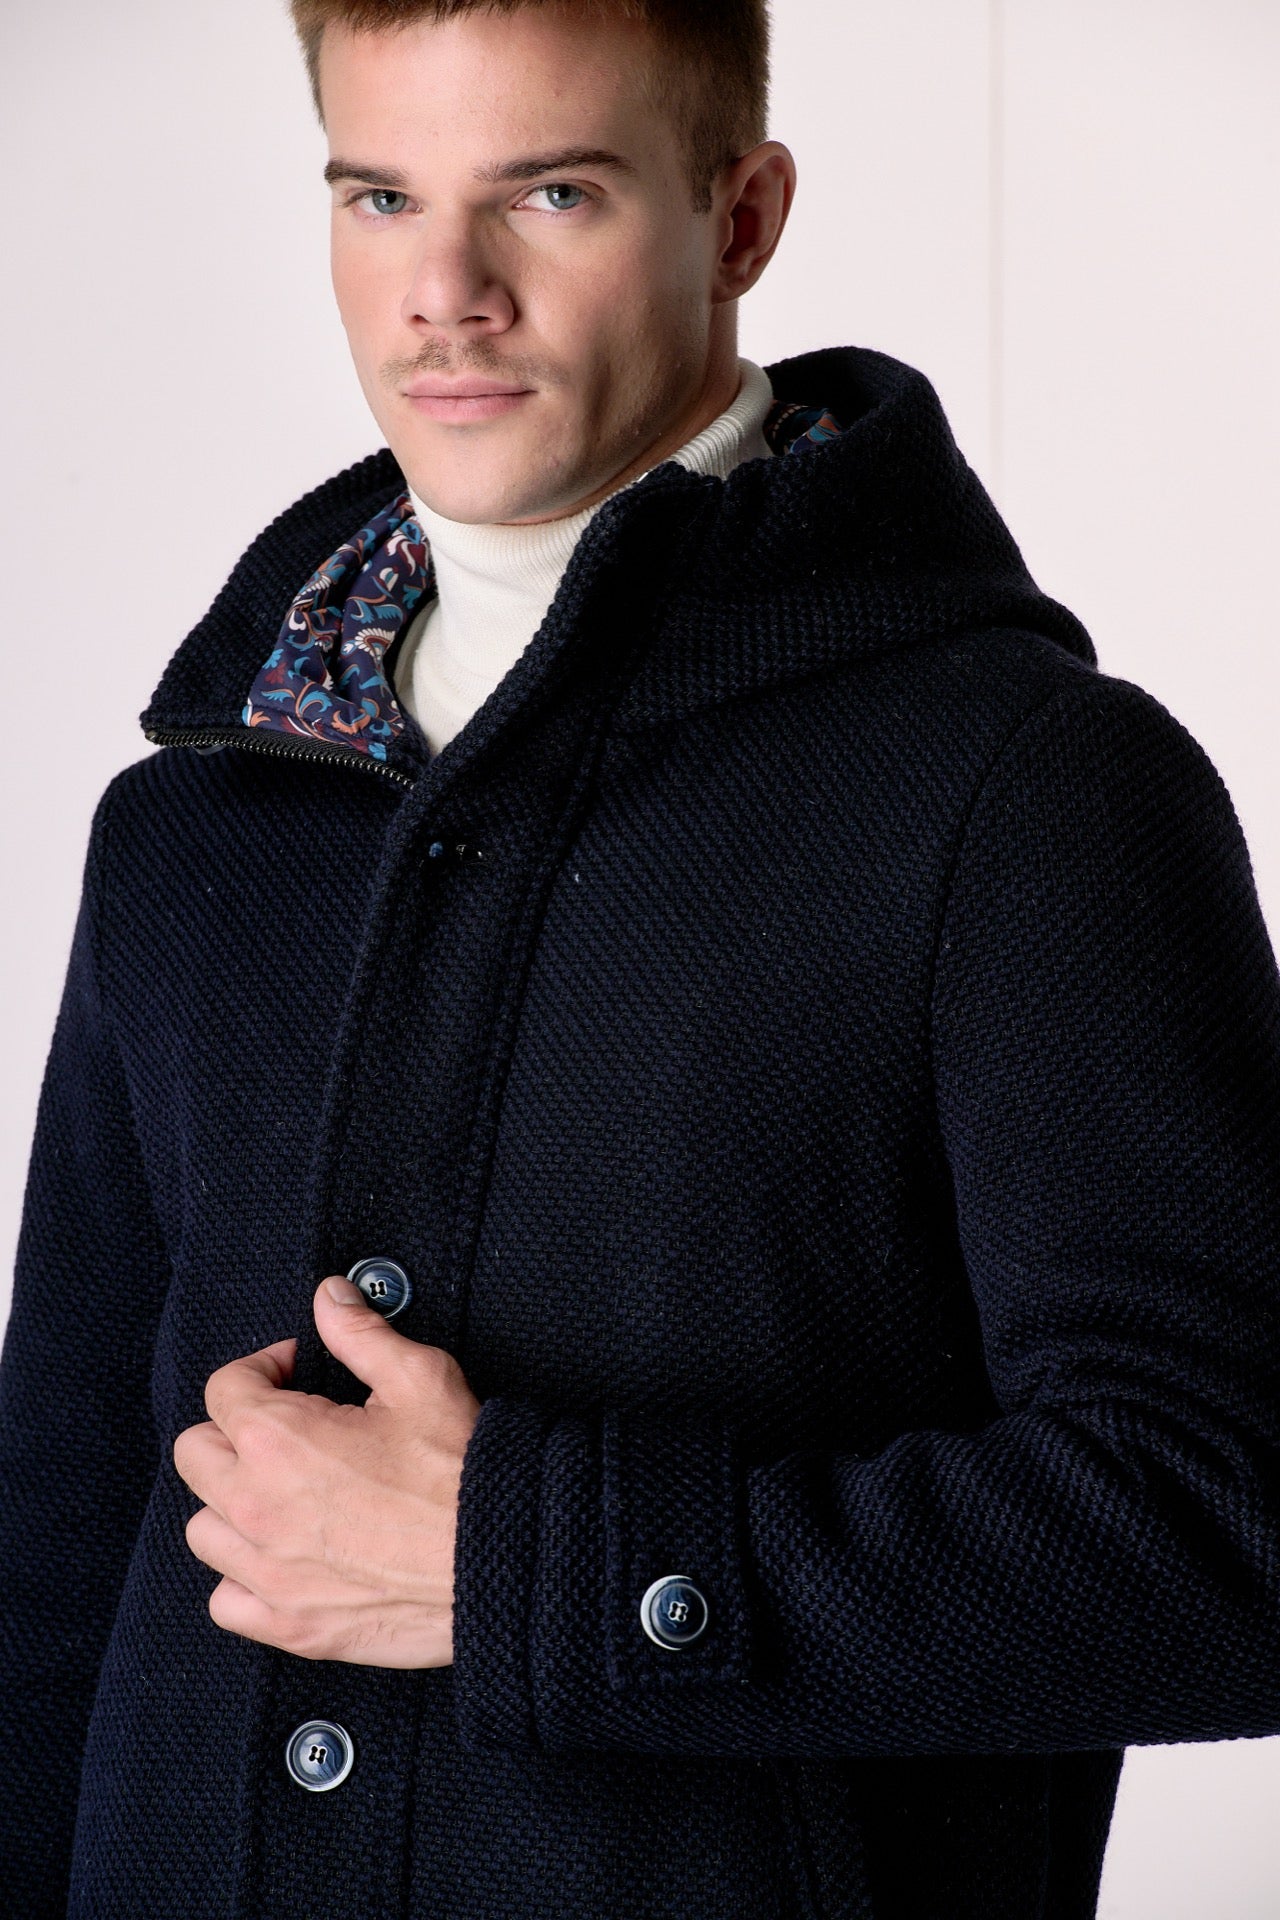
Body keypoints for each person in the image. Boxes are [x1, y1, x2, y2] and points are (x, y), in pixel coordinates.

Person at [4, 0, 1279, 1913]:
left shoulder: (1026, 789)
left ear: (740, 217)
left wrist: (528, 1568)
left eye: (551, 194)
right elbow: (57, 1548)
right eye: (379, 196)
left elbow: (1229, 1525)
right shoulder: (195, 829)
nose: (445, 293)